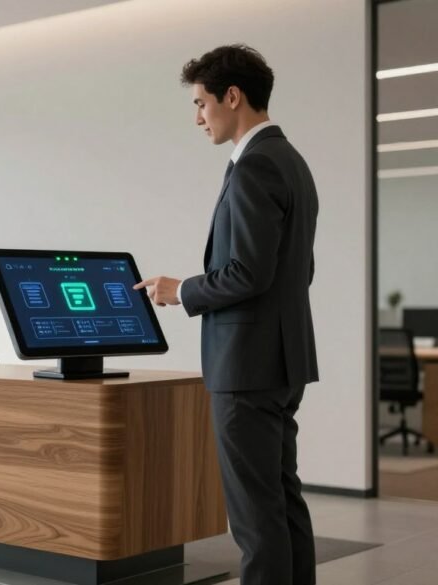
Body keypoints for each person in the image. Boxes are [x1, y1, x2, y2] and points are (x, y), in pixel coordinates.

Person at [133, 44, 319, 585]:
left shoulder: (255, 164)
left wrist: (181, 289)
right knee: (282, 502)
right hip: (283, 361)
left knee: (255, 518)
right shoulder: (291, 161)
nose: (197, 118)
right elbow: (296, 270)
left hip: (247, 367)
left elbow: (248, 273)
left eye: (200, 103)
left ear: (232, 97)